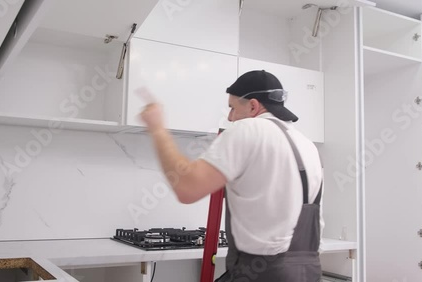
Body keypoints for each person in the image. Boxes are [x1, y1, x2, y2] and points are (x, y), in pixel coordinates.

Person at [138, 70, 324, 282]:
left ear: (253, 106)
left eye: (232, 108)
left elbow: (186, 188)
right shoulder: (307, 145)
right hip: (308, 272)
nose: (230, 117)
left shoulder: (247, 129)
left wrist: (157, 128)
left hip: (261, 273)